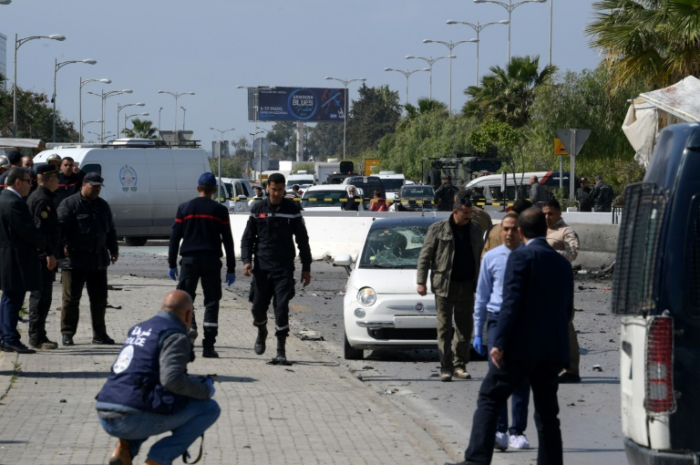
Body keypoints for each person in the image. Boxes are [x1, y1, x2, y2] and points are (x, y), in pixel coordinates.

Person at [449, 208, 573, 465]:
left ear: (520, 231)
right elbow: (567, 310)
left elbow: (511, 303)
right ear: (546, 230)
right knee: (548, 412)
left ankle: (476, 460)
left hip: (520, 348)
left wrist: (500, 343)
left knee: (489, 396)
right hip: (552, 349)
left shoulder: (520, 257)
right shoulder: (562, 263)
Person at [95, 290, 220, 465]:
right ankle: (157, 460)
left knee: (150, 400)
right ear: (188, 315)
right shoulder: (175, 335)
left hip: (105, 410)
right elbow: (171, 380)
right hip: (130, 417)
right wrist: (205, 390)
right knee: (209, 408)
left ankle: (125, 449)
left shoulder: (139, 328)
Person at [473, 212, 531, 451]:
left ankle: (518, 431)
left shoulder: (530, 257)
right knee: (497, 376)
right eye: (505, 229)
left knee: (521, 378)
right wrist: (478, 330)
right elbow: (482, 295)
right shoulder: (491, 258)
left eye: (513, 229)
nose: (509, 233)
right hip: (496, 319)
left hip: (523, 322)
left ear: (521, 231)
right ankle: (500, 430)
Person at [241, 172, 312, 365]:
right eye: (274, 189)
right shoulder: (257, 209)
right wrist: (246, 261)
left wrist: (306, 267)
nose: (277, 193)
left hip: (284, 268)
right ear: (267, 188)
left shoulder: (292, 209)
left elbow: (302, 240)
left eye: (281, 190)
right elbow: (248, 238)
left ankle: (281, 350)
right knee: (257, 308)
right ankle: (261, 330)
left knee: (281, 308)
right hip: (262, 268)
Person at [417, 189, 483, 381]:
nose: (469, 217)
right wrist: (421, 281)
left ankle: (459, 365)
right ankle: (445, 367)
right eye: (465, 214)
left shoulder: (476, 228)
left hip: (468, 285)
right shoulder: (438, 229)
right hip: (445, 285)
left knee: (464, 328)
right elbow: (425, 256)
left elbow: (480, 255)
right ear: (455, 212)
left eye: (470, 214)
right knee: (444, 328)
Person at [168, 172, 236, 359]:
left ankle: (190, 330)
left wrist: (172, 263)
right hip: (212, 261)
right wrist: (231, 267)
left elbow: (174, 238)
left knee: (185, 299)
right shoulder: (220, 211)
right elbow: (228, 240)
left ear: (198, 188)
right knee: (212, 301)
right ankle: (209, 346)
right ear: (214, 190)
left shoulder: (184, 208)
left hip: (189, 261)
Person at [57, 172, 119, 346]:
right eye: (93, 186)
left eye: (99, 186)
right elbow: (58, 229)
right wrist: (61, 248)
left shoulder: (103, 206)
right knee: (70, 300)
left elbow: (111, 230)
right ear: (84, 184)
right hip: (74, 260)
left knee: (99, 300)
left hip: (97, 260)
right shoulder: (69, 204)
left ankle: (99, 334)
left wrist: (114, 249)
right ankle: (67, 333)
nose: (97, 189)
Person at [0, 167, 45, 354]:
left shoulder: (5, 198)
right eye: (28, 181)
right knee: (13, 299)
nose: (31, 184)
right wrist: (45, 244)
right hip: (15, 257)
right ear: (17, 182)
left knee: (8, 298)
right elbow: (26, 230)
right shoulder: (12, 202)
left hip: (9, 256)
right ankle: (10, 338)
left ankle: (5, 335)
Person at [543, 198, 582, 384]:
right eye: (544, 214)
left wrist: (549, 253)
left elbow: (573, 253)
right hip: (541, 285)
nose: (547, 217)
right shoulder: (540, 231)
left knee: (565, 327)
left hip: (559, 286)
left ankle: (572, 369)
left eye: (550, 213)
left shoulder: (566, 231)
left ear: (559, 213)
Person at [26, 164, 61, 350]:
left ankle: (40, 334)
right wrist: (48, 253)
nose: (59, 180)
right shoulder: (41, 200)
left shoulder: (45, 197)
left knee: (44, 297)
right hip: (41, 257)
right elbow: (40, 231)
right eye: (56, 177)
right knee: (40, 297)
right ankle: (36, 337)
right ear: (49, 179)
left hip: (44, 255)